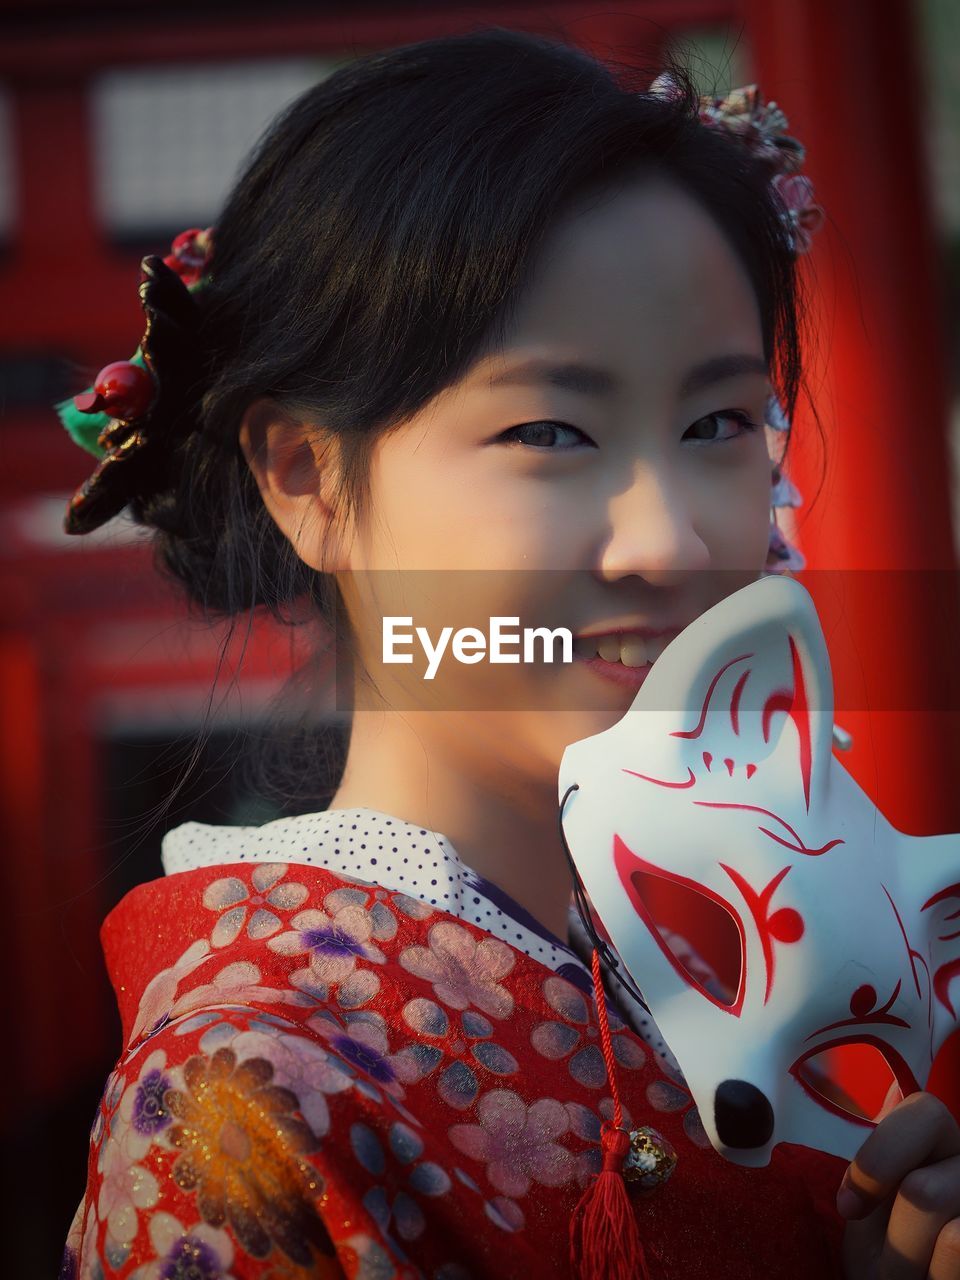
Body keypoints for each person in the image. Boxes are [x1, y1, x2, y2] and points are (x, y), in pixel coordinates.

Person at [57, 26, 960, 1280]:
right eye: (549, 429)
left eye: (718, 419)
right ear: (306, 475)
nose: (669, 538)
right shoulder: (247, 1087)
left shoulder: (722, 957)